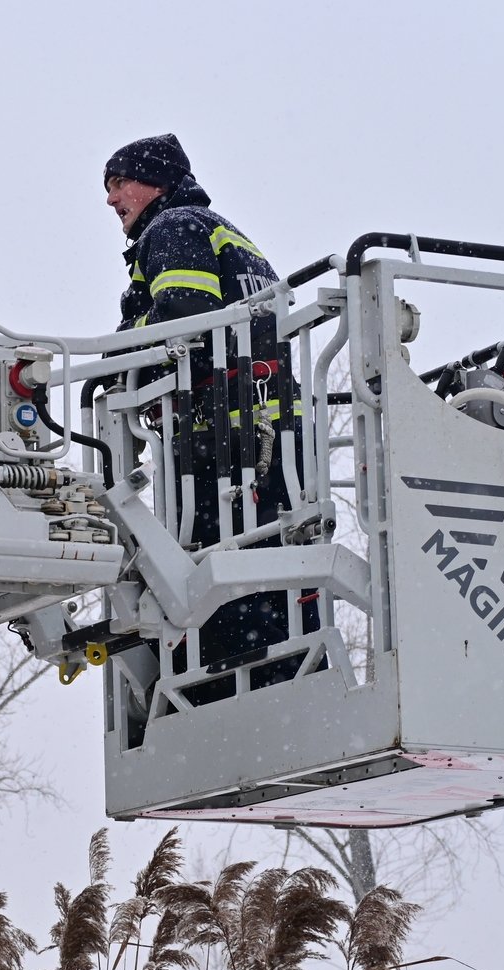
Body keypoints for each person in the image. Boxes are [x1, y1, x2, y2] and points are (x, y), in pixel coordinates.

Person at [103, 134, 313, 704]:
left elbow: (181, 323)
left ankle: (229, 690)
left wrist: (117, 368)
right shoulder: (220, 232)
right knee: (274, 566)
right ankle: (289, 677)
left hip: (225, 441)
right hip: (274, 433)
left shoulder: (173, 230)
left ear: (156, 183)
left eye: (120, 182)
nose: (111, 198)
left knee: (212, 564)